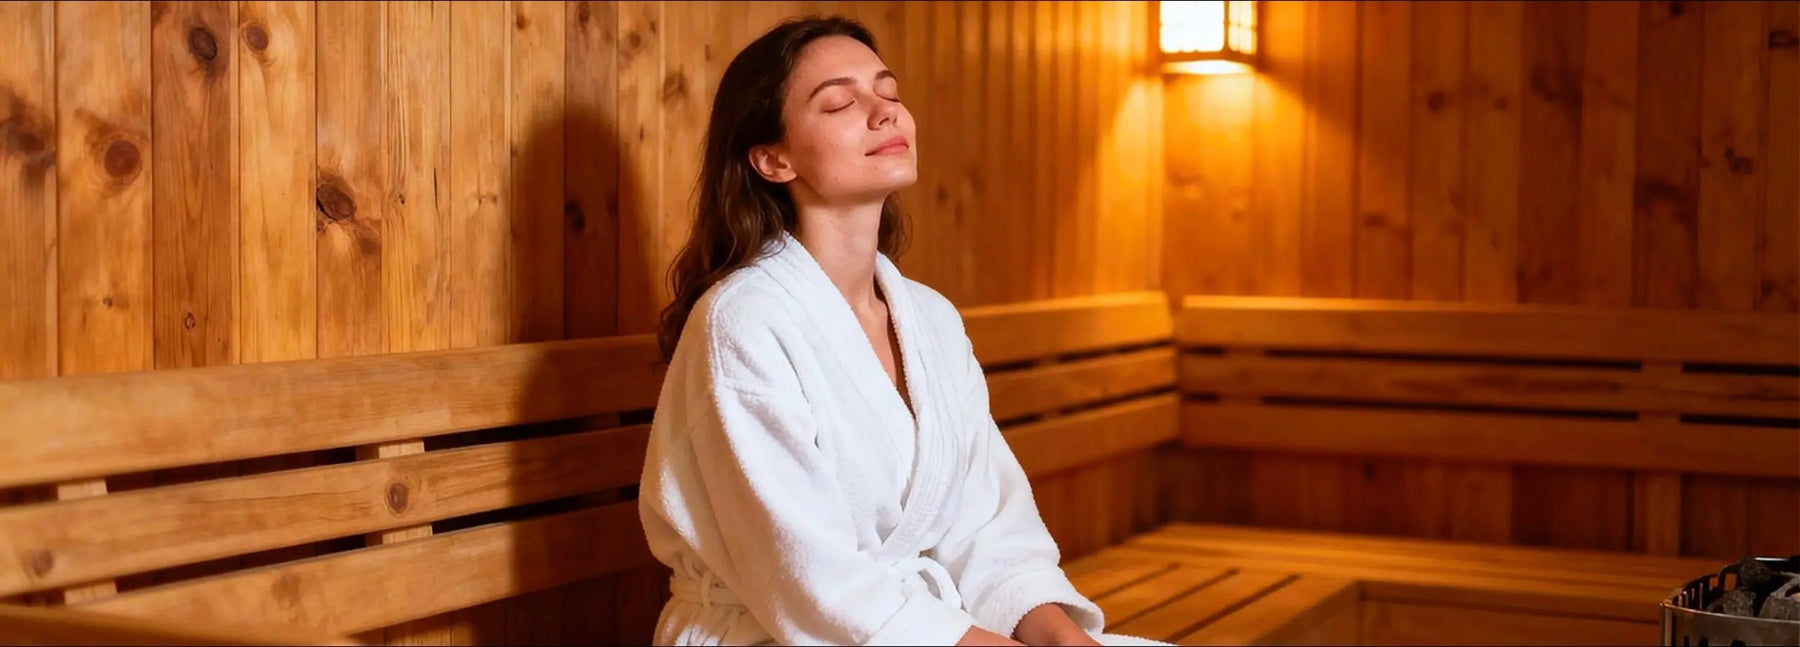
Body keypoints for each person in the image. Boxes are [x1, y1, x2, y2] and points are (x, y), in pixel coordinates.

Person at [637, 15, 1168, 647]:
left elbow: (991, 533)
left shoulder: (931, 320)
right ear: (772, 159)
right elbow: (812, 583)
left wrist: (1064, 641)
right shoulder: (743, 323)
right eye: (839, 102)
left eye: (888, 94)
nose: (884, 113)